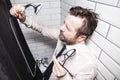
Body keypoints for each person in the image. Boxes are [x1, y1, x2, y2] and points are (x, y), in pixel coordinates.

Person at [10, 4, 98, 80]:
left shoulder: (88, 65)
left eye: (68, 28)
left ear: (81, 37)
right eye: (64, 23)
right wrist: (24, 19)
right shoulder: (63, 36)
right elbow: (43, 29)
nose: (61, 28)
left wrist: (64, 77)